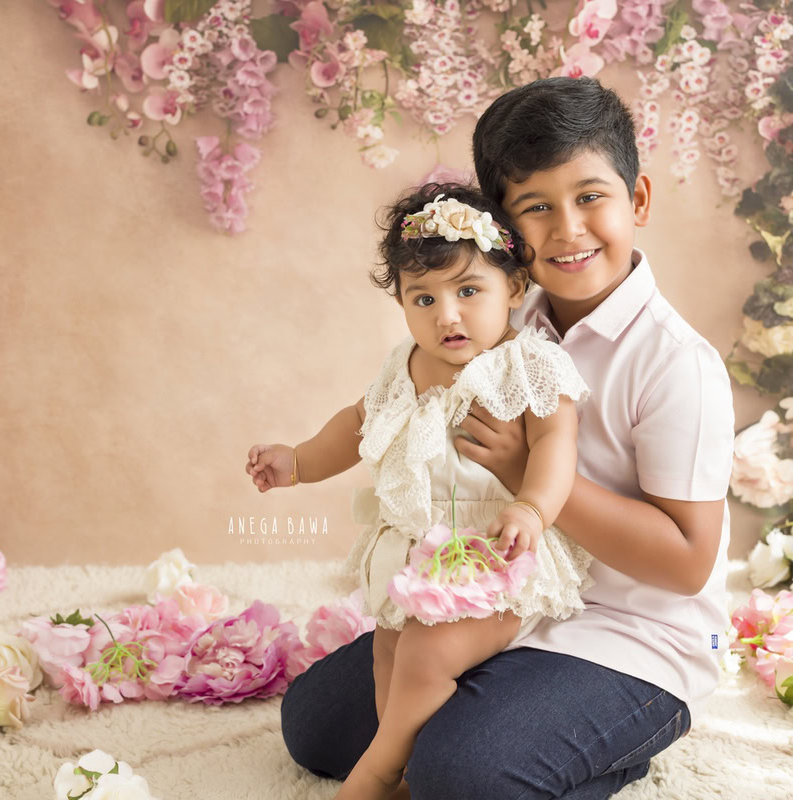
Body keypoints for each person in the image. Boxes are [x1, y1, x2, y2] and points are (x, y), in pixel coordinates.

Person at [280, 76, 735, 800]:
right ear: (502, 232)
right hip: (504, 606)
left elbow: (685, 562)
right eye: (535, 208)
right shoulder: (498, 322)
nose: (567, 230)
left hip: (634, 635)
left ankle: (608, 747)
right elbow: (390, 405)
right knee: (315, 725)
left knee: (460, 774)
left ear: (637, 200)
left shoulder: (677, 364)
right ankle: (490, 733)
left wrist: (533, 478)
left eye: (590, 197)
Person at [247, 183, 594, 799]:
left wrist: (532, 507)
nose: (447, 316)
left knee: (427, 656)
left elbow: (555, 444)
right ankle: (408, 771)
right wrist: (296, 461)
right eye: (423, 298)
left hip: (497, 558)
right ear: (402, 305)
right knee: (391, 652)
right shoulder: (405, 363)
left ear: (513, 289)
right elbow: (357, 423)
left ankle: (378, 772)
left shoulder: (527, 364)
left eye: (468, 291)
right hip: (419, 558)